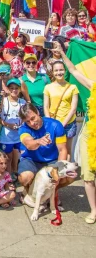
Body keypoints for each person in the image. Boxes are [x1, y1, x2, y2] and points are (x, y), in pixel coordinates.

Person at [52, 41, 96, 223]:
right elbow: (76, 72)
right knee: (87, 174)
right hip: (89, 134)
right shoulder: (94, 85)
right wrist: (62, 53)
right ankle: (94, 211)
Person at [17, 103, 74, 202]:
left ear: (38, 112)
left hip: (52, 160)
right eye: (28, 121)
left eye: (33, 118)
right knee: (24, 177)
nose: (32, 123)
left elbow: (62, 150)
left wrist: (58, 170)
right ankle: (29, 192)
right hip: (31, 160)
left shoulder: (55, 125)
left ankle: (52, 193)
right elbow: (29, 144)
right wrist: (38, 141)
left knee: (69, 177)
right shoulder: (23, 129)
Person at [43, 61, 79, 158]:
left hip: (68, 124)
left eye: (61, 70)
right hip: (54, 123)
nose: (59, 73)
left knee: (67, 151)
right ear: (52, 72)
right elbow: (46, 106)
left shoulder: (73, 87)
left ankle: (66, 172)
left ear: (65, 70)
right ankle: (56, 171)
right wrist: (50, 122)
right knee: (54, 150)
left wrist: (63, 124)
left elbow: (73, 108)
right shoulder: (48, 87)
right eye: (56, 70)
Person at [0, 78, 26, 176]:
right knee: (8, 158)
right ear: (8, 89)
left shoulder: (23, 102)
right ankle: (9, 178)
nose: (14, 90)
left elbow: (25, 117)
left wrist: (21, 125)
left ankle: (17, 174)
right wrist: (8, 125)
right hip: (6, 136)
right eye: (11, 88)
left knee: (21, 157)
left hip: (19, 135)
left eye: (16, 88)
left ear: (19, 89)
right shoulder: (3, 101)